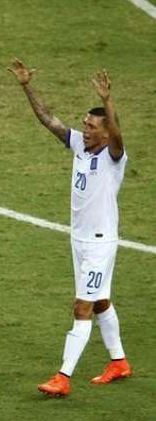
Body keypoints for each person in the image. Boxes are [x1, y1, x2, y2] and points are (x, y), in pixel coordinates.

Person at [9, 58, 132, 397]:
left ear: (106, 132)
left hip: (99, 243)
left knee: (82, 307)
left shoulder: (114, 156)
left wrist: (108, 101)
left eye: (92, 125)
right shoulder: (78, 143)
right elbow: (48, 119)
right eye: (85, 123)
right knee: (101, 301)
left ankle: (62, 377)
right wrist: (27, 86)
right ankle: (119, 362)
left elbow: (118, 133)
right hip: (78, 239)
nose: (85, 128)